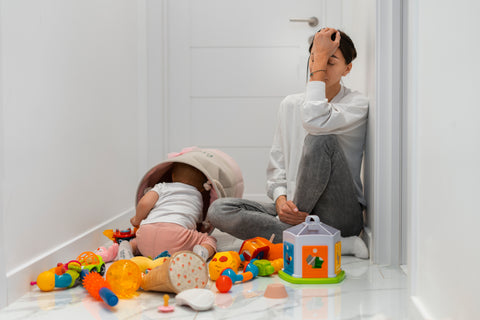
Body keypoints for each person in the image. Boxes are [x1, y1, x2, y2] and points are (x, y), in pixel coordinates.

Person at [207, 28, 369, 258]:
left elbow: (316, 121)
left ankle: (298, 234)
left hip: (339, 213)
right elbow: (277, 166)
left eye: (329, 61)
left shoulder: (357, 104)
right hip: (295, 208)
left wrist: (318, 63)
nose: (319, 67)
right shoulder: (290, 105)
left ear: (348, 68)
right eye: (314, 59)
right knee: (219, 210)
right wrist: (282, 202)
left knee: (319, 141)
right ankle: (331, 242)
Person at [128, 162, 217, 261]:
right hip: (176, 239)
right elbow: (198, 224)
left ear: (172, 176)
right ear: (202, 187)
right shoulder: (199, 197)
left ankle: (128, 247)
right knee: (209, 239)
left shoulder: (162, 186)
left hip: (146, 234)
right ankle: (201, 253)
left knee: (137, 240)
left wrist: (137, 219)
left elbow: (144, 203)